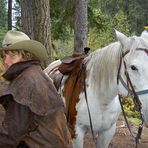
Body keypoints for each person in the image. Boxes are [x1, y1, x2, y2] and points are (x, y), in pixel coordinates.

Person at [0, 30, 72, 148]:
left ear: (26, 55)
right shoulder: (35, 73)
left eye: (12, 55)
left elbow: (10, 136)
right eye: (4, 56)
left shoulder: (25, 82)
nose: (6, 61)